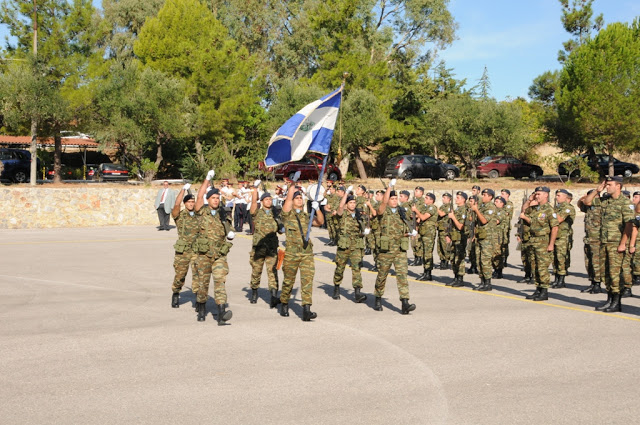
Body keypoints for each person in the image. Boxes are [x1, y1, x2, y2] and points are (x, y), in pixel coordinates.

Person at [583, 177, 634, 312]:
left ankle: (616, 303)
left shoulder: (625, 203)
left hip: (616, 243)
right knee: (606, 273)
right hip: (604, 243)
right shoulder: (605, 201)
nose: (607, 187)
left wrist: (623, 243)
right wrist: (596, 190)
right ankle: (609, 300)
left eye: (610, 185)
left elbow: (629, 225)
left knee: (615, 273)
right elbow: (587, 202)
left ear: (618, 186)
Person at [193, 170, 235, 324]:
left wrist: (231, 233)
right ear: (208, 199)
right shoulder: (201, 211)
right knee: (203, 284)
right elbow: (199, 196)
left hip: (219, 256)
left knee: (220, 283)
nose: (216, 200)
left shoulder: (224, 213)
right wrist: (206, 179)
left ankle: (222, 313)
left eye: (218, 198)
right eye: (213, 198)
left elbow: (229, 229)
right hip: (203, 255)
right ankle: (202, 309)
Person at [279, 180, 324, 321]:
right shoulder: (287, 215)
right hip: (292, 252)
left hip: (306, 252)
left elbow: (320, 222)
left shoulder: (307, 217)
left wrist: (317, 208)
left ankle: (306, 309)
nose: (300, 200)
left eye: (301, 198)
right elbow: (287, 203)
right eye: (297, 198)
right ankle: (284, 302)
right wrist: (292, 185)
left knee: (307, 280)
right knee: (288, 281)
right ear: (292, 201)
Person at [371, 180, 417, 314]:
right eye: (392, 198)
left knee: (402, 276)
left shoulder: (402, 211)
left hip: (400, 250)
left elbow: (405, 226)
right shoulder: (383, 211)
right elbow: (383, 204)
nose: (395, 200)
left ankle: (405, 302)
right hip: (386, 250)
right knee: (382, 275)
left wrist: (411, 232)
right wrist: (389, 187)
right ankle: (378, 297)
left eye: (396, 198)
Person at [520, 187, 559, 301]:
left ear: (546, 195)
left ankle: (544, 291)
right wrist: (528, 200)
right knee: (534, 266)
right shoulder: (535, 209)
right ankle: (538, 289)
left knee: (542, 268)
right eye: (536, 194)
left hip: (543, 242)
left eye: (539, 194)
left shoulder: (549, 210)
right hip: (533, 241)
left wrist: (551, 244)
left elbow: (555, 228)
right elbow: (524, 210)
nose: (537, 196)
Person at [248, 179, 282, 307]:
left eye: (270, 199)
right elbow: (252, 204)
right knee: (256, 271)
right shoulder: (257, 213)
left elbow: (281, 229)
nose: (269, 201)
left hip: (272, 248)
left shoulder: (276, 213)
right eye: (266, 199)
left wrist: (281, 226)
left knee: (272, 272)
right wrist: (255, 189)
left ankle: (273, 296)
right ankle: (254, 292)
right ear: (262, 202)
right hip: (259, 248)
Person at [332, 187, 368, 303]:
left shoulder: (359, 215)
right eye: (350, 202)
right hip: (344, 245)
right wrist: (346, 193)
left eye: (354, 202)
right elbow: (340, 207)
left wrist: (366, 230)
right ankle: (336, 287)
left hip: (356, 245)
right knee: (340, 268)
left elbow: (365, 227)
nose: (353, 205)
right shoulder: (342, 214)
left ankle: (357, 292)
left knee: (356, 268)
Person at [170, 183, 200, 308]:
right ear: (185, 203)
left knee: (198, 275)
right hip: (183, 251)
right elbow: (176, 204)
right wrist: (183, 189)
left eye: (193, 202)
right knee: (180, 275)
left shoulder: (199, 215)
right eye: (189, 202)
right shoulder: (180, 215)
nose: (191, 204)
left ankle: (199, 299)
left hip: (197, 250)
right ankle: (176, 293)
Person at [469, 189, 498, 291]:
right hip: (480, 236)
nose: (483, 197)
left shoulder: (490, 207)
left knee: (485, 261)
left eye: (485, 195)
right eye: (483, 195)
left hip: (487, 238)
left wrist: (476, 210)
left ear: (490, 197)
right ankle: (482, 281)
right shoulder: (482, 206)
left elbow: (484, 220)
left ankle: (488, 283)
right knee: (479, 260)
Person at [578, 190, 603, 293]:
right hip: (589, 239)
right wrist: (582, 198)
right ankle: (592, 282)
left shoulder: (601, 206)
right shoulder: (589, 208)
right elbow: (580, 205)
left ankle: (597, 284)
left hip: (597, 239)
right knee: (589, 263)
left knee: (596, 262)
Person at [552, 189, 575, 289]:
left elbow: (558, 219)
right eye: (556, 195)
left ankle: (561, 280)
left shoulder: (567, 208)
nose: (557, 197)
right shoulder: (557, 207)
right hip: (555, 235)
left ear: (566, 197)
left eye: (559, 195)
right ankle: (556, 278)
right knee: (554, 258)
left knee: (561, 258)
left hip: (563, 236)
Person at [413, 193, 438, 281]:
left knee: (428, 253)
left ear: (431, 200)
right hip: (424, 232)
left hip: (429, 233)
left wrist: (416, 210)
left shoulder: (432, 208)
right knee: (424, 252)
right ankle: (425, 272)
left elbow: (423, 217)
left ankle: (428, 273)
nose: (425, 199)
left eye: (427, 198)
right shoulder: (426, 208)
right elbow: (419, 218)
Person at [446, 191, 468, 287]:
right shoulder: (456, 210)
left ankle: (460, 278)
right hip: (453, 237)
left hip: (460, 238)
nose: (456, 199)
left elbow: (460, 226)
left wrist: (453, 217)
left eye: (458, 198)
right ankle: (455, 277)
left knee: (459, 258)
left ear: (463, 199)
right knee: (452, 258)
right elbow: (450, 225)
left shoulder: (464, 211)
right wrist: (448, 235)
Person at [492, 196, 508, 279]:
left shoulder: (502, 212)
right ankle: (495, 269)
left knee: (498, 253)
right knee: (492, 254)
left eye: (498, 201)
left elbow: (496, 221)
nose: (495, 203)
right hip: (492, 235)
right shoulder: (493, 211)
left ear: (502, 204)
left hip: (498, 236)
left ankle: (499, 270)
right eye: (495, 201)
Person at [437, 192, 453, 270]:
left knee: (445, 246)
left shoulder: (449, 207)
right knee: (439, 246)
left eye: (444, 198)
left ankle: (446, 260)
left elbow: (441, 214)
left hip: (445, 229)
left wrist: (435, 207)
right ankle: (442, 260)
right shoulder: (442, 206)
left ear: (449, 199)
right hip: (440, 228)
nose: (443, 199)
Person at [500, 189, 514, 266]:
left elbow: (505, 213)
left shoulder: (509, 204)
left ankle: (505, 258)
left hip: (505, 226)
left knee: (505, 243)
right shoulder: (500, 202)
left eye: (503, 194)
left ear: (507, 195)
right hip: (499, 227)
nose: (501, 195)